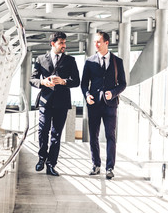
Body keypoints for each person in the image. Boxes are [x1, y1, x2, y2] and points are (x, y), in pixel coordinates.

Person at [30, 31, 80, 176]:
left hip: (62, 102)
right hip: (45, 101)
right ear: (53, 44)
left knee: (56, 134)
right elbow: (32, 79)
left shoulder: (71, 60)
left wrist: (64, 81)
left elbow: (76, 81)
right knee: (43, 130)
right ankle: (41, 158)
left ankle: (51, 164)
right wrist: (42, 82)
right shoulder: (40, 59)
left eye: (65, 43)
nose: (64, 45)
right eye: (61, 43)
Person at [81, 31, 126, 179]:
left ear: (107, 43)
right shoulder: (89, 61)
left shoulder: (117, 61)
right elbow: (83, 84)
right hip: (93, 104)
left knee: (110, 136)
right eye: (95, 42)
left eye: (99, 41)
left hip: (110, 105)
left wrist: (113, 93)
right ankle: (96, 165)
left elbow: (123, 83)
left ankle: (110, 168)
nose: (96, 44)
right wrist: (87, 96)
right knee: (93, 136)